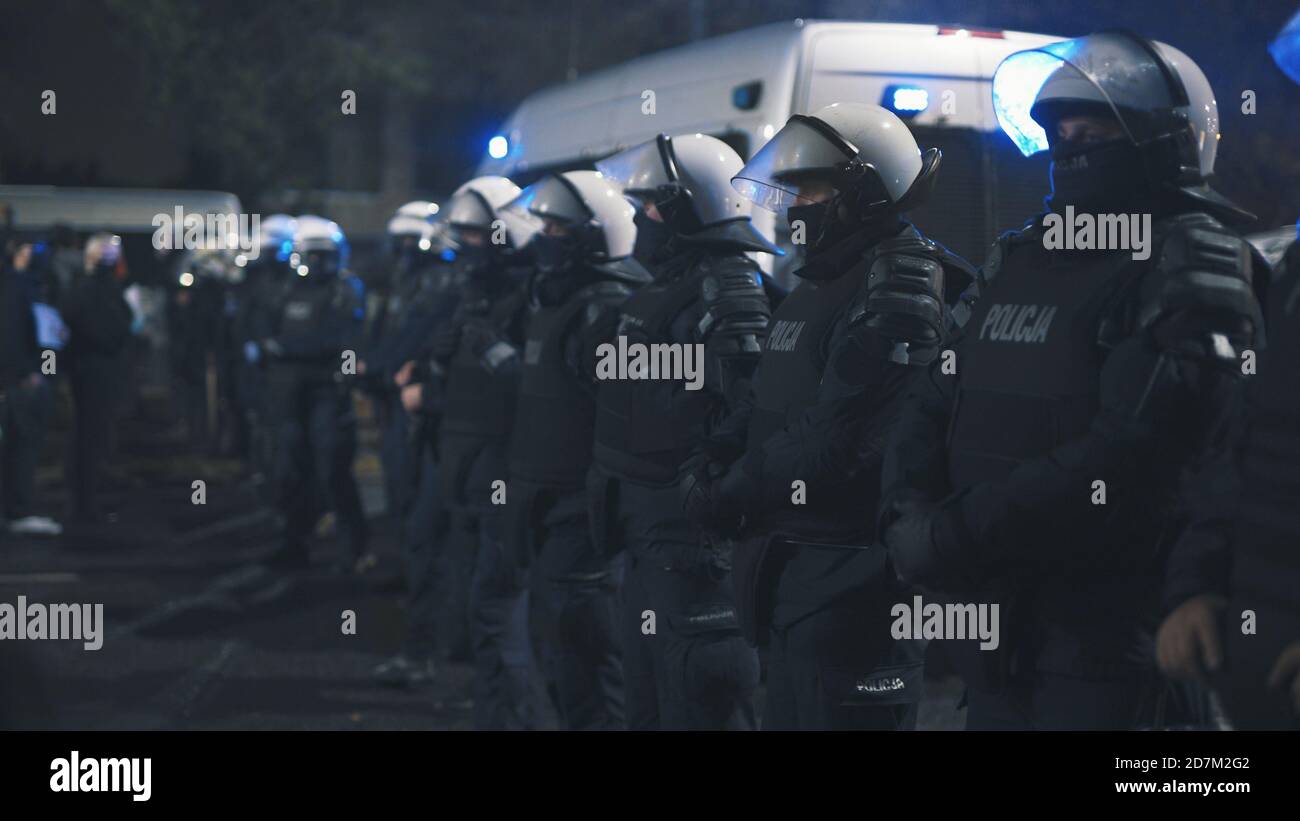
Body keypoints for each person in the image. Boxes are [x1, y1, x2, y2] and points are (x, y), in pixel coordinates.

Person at [880, 31, 1263, 730]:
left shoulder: (1193, 259)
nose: (1069, 140)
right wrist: (908, 508)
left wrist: (954, 532)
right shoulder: (1021, 256)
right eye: (1057, 127)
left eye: (1091, 124)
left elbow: (1139, 452)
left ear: (1161, 137)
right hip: (995, 639)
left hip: (1110, 643)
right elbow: (933, 394)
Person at [681, 103, 971, 729]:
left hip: (857, 583)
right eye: (788, 189)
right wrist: (715, 456)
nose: (791, 206)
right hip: (794, 575)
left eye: (808, 188)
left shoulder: (900, 282)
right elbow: (766, 401)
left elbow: (842, 439)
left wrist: (730, 490)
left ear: (863, 191)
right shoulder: (818, 283)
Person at [590, 133, 776, 729]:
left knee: (700, 692)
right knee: (650, 699)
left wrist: (711, 498)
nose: (642, 219)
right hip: (644, 531)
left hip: (689, 541)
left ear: (687, 210)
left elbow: (751, 413)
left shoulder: (728, 286)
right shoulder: (663, 288)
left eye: (652, 207)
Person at [502, 171, 651, 729]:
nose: (545, 234)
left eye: (558, 226)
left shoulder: (607, 309)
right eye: (542, 223)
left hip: (582, 514)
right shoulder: (557, 299)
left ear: (595, 234)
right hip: (547, 502)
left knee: (589, 661)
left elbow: (626, 421)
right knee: (560, 658)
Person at [429, 177, 540, 725]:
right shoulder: (477, 291)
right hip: (467, 468)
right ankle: (493, 710)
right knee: (483, 605)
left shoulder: (534, 289)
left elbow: (539, 391)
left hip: (504, 471)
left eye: (477, 232)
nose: (467, 243)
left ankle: (512, 716)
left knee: (501, 607)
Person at [251, 216, 369, 571]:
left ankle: (353, 550)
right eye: (312, 255)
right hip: (288, 393)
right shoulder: (283, 288)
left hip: (326, 393)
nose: (318, 263)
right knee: (290, 469)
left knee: (333, 468)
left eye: (325, 255)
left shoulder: (345, 289)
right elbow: (263, 331)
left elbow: (349, 341)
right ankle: (293, 542)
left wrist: (345, 379)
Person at [62, 233, 136, 525]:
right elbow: (116, 329)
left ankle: (84, 502)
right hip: (98, 372)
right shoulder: (104, 291)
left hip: (86, 370)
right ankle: (85, 506)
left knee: (86, 438)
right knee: (92, 440)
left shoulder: (81, 289)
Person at [1, 241, 63, 536]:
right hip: (20, 380)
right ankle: (18, 509)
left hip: (15, 377)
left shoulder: (16, 285)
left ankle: (15, 508)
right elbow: (17, 333)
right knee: (23, 445)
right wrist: (28, 372)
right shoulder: (18, 286)